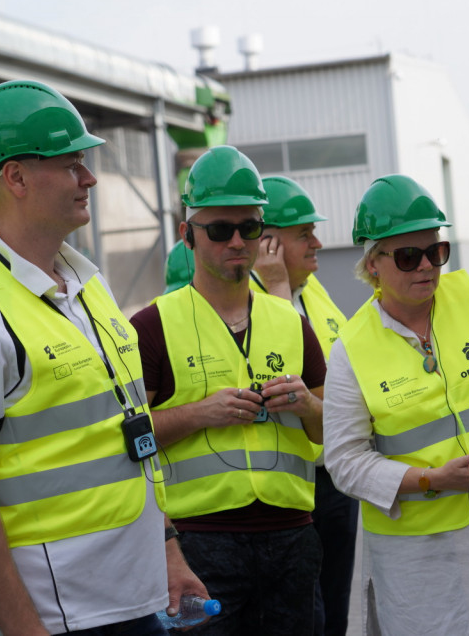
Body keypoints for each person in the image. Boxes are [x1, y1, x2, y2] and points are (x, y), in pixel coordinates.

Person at [0, 80, 206, 636]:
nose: (89, 178)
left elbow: (128, 433)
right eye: (72, 164)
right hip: (54, 616)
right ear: (16, 177)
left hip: (133, 599)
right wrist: (26, 629)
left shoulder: (87, 285)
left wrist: (166, 551)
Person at [323, 174, 469, 636]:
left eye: (436, 251)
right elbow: (344, 462)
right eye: (409, 257)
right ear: (373, 264)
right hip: (421, 573)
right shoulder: (351, 347)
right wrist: (431, 479)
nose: (427, 266)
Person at [131, 146, 326, 636]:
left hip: (292, 539)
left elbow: (332, 431)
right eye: (220, 230)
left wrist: (306, 404)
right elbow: (129, 440)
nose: (237, 241)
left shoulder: (292, 323)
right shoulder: (151, 327)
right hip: (200, 545)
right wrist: (199, 414)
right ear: (188, 236)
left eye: (250, 227)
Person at [250, 175, 354, 636]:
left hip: (335, 479)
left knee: (335, 612)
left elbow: (345, 383)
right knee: (303, 616)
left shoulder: (315, 292)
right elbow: (287, 377)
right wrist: (274, 288)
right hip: (293, 489)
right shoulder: (247, 298)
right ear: (267, 241)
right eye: (304, 233)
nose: (318, 243)